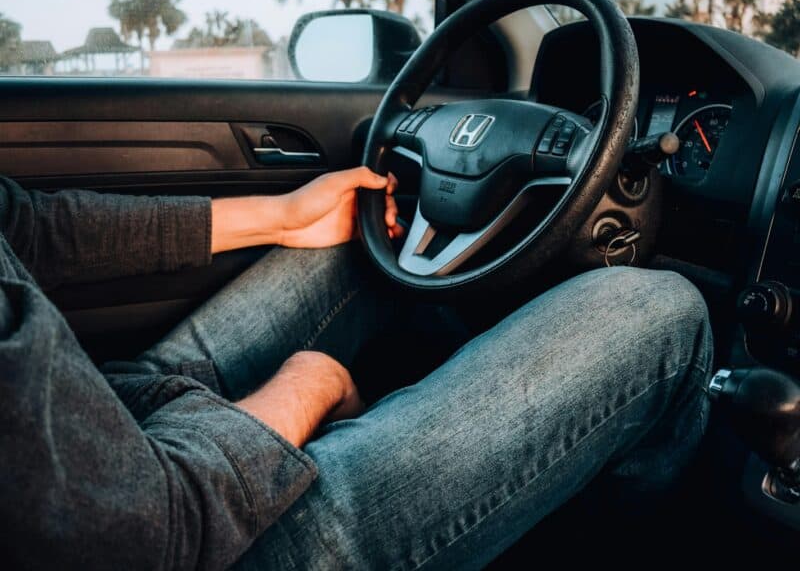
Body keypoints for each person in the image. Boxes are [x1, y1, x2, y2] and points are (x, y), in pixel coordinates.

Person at [0, 166, 712, 570]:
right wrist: (311, 382)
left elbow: (21, 224)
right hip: (196, 541)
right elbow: (150, 536)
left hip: (107, 411)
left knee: (359, 239)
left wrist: (284, 215)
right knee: (656, 311)